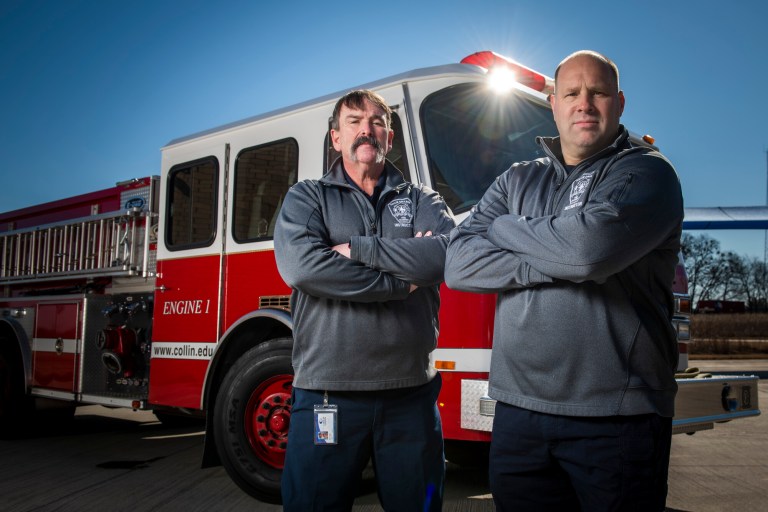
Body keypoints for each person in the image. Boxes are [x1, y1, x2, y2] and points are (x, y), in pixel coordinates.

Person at [444, 50, 684, 512]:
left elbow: (586, 252)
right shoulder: (517, 178)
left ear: (620, 102)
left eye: (597, 92)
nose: (584, 103)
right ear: (553, 103)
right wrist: (554, 258)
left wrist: (504, 228)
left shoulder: (648, 172)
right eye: (571, 93)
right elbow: (458, 265)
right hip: (518, 415)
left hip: (616, 417)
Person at [274, 89, 455, 511]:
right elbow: (305, 269)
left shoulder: (421, 199)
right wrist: (400, 283)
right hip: (327, 394)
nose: (365, 129)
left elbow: (445, 256)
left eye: (376, 121)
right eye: (353, 121)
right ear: (336, 138)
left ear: (388, 138)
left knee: (420, 506)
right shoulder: (307, 197)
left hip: (411, 395)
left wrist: (357, 250)